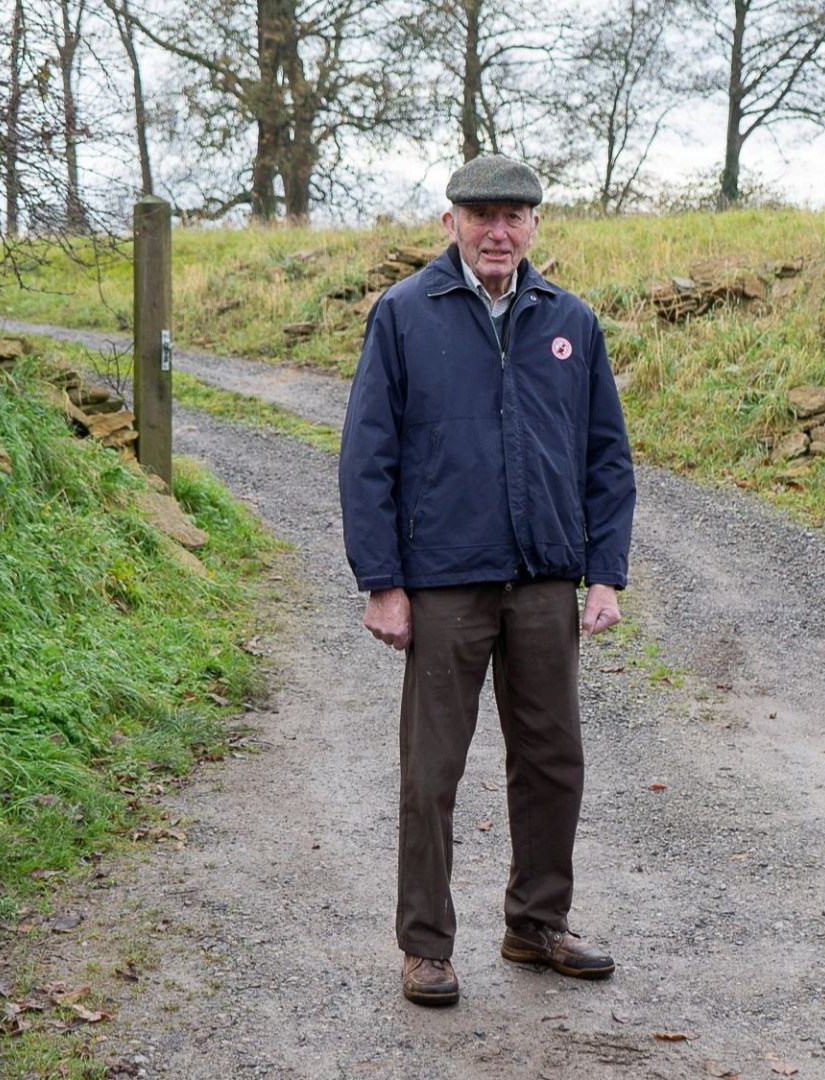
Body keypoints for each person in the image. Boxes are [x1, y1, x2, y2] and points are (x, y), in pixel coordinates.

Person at [337, 154, 637, 1008]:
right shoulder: (402, 316)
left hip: (545, 578)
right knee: (431, 770)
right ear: (451, 225)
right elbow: (369, 457)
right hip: (443, 581)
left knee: (554, 761)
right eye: (481, 217)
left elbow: (605, 459)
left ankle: (536, 924)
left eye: (514, 217)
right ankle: (426, 945)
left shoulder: (571, 322)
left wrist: (604, 574)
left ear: (536, 226)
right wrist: (382, 580)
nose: (497, 232)